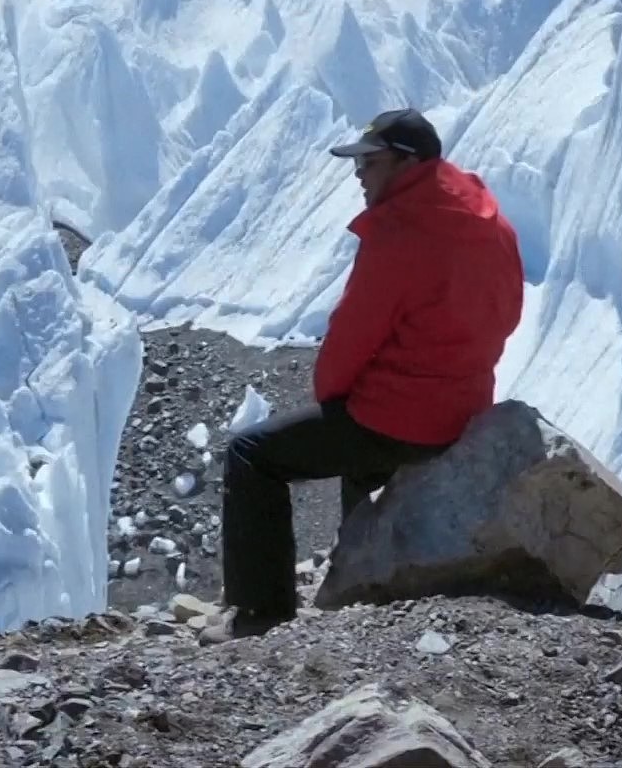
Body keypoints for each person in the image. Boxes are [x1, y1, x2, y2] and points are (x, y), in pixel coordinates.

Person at [198, 108, 525, 645]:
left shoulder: (400, 233)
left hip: (399, 419)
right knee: (362, 465)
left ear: (404, 163)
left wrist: (335, 401)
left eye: (368, 163)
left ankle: (259, 613)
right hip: (466, 406)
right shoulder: (491, 221)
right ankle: (365, 582)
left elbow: (351, 338)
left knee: (252, 455)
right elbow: (509, 312)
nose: (358, 175)